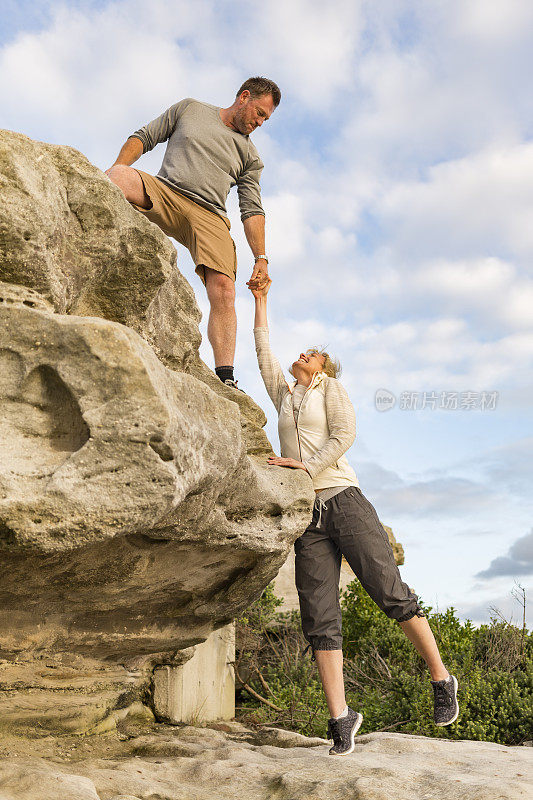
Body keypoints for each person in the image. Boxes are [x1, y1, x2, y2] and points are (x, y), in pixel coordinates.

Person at [250, 278, 459, 756]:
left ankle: (442, 677)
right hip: (308, 516)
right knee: (318, 616)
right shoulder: (286, 396)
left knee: (388, 590)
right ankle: (341, 718)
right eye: (301, 352)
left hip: (344, 500)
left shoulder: (332, 389)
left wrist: (305, 466)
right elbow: (263, 353)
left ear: (325, 367)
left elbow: (345, 435)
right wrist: (261, 302)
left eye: (312, 353)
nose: (303, 354)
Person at [106, 76, 280, 389]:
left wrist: (261, 258)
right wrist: (118, 169)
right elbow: (145, 137)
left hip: (210, 215)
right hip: (166, 191)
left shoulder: (251, 157)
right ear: (244, 97)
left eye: (266, 119)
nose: (261, 122)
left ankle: (225, 376)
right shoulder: (191, 109)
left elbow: (252, 209)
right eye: (260, 113)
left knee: (225, 289)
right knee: (118, 176)